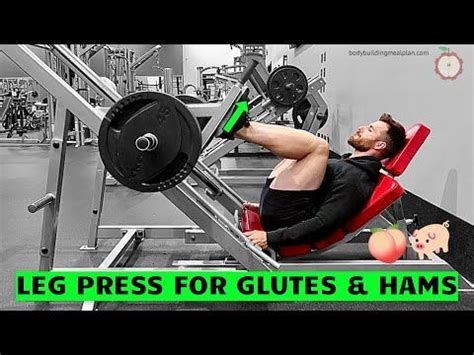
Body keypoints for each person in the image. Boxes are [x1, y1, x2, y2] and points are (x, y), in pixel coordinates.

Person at [220, 113, 406, 250]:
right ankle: (240, 126)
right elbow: (318, 195)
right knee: (300, 150)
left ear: (379, 145)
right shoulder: (349, 163)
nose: (361, 128)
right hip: (280, 209)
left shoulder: (357, 178)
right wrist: (262, 205)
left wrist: (269, 238)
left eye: (370, 129)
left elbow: (323, 223)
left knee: (319, 147)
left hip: (282, 221)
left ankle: (238, 127)